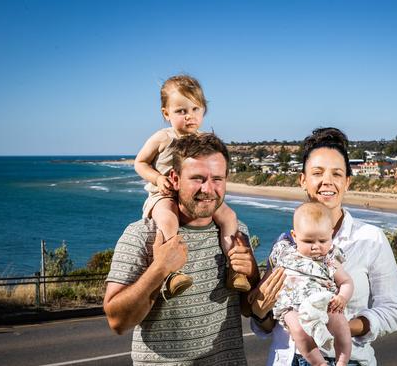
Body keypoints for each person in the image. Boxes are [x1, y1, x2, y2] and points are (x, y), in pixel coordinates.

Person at [249, 128, 397, 366]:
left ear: (347, 182)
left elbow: (393, 311)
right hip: (287, 359)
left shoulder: (370, 238)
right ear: (303, 180)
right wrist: (260, 314)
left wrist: (339, 327)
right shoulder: (284, 244)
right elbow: (268, 323)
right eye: (317, 173)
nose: (327, 182)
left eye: (337, 174)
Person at [104, 133, 260, 365]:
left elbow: (249, 309)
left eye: (217, 179)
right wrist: (159, 269)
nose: (208, 189)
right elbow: (118, 322)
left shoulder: (237, 233)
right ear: (175, 179)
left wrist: (253, 273)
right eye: (197, 178)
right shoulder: (142, 235)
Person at [134, 74, 249, 297]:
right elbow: (140, 163)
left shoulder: (203, 139)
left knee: (229, 217)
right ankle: (172, 274)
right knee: (168, 219)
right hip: (164, 195)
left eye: (196, 109)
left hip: (195, 196)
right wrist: (158, 178)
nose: (190, 117)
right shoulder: (163, 138)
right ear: (166, 113)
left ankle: (234, 268)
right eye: (181, 111)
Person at [268, 202, 354, 366]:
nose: (316, 246)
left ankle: (342, 360)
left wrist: (342, 297)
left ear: (331, 234)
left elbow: (346, 281)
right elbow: (271, 275)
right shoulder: (285, 252)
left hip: (324, 303)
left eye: (322, 240)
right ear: (294, 236)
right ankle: (319, 363)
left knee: (342, 327)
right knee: (299, 331)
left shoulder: (329, 260)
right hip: (292, 305)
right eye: (308, 241)